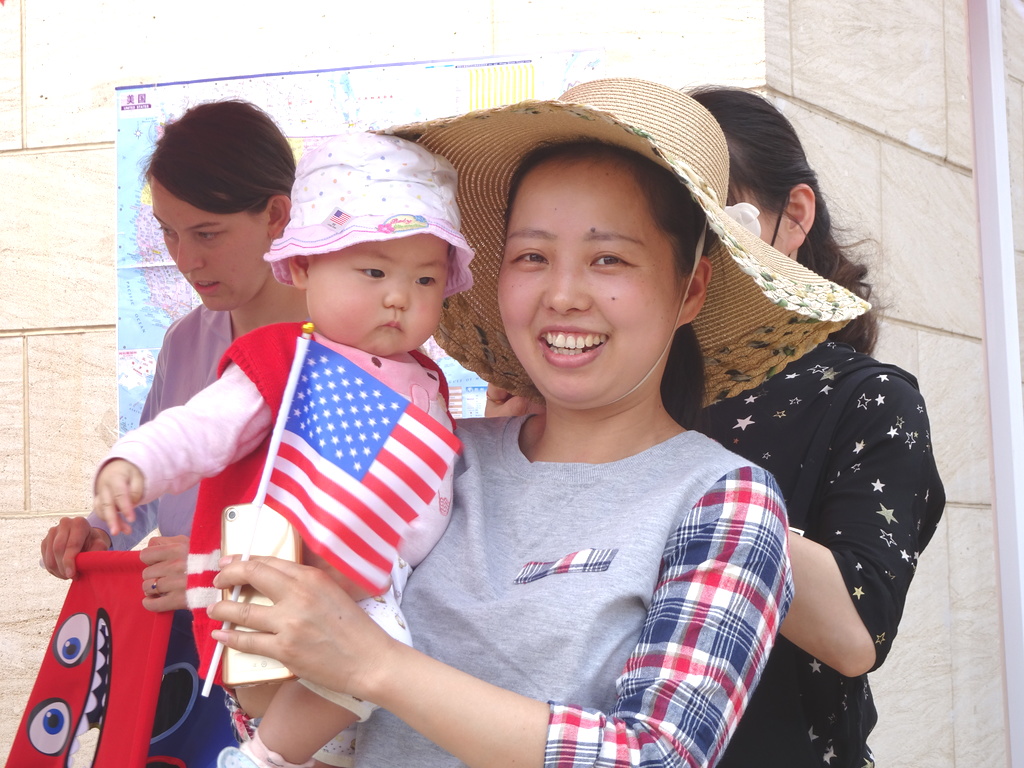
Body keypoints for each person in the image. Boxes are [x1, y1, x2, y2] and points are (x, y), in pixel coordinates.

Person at [204, 78, 871, 768]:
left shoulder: (725, 501)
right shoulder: (432, 457)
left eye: (608, 258)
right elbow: (281, 705)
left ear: (690, 288)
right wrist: (266, 609)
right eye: (532, 257)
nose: (563, 294)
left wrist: (378, 667)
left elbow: (659, 756)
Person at [92, 131, 475, 768]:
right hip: (298, 589)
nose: (398, 296)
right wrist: (136, 462)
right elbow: (204, 426)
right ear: (301, 267)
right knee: (371, 653)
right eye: (374, 271)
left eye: (426, 278)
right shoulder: (288, 359)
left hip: (377, 590)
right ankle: (261, 759)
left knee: (371, 675)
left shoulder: (422, 378)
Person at [37, 99, 308, 753]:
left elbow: (374, 537)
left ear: (276, 214)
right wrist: (99, 528)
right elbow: (156, 490)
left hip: (310, 695)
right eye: (168, 232)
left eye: (207, 233)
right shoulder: (187, 341)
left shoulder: (341, 345)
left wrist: (218, 567)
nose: (185, 258)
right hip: (195, 667)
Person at [690, 85, 945, 768]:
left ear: (792, 213)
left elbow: (857, 631)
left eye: (719, 215)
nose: (695, 251)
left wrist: (656, 456)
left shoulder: (868, 399)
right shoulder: (612, 387)